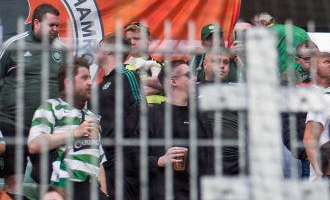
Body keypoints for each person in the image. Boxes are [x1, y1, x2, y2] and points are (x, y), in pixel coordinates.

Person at [0, 4, 65, 195]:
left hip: (46, 128)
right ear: (36, 23)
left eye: (57, 26)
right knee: (13, 183)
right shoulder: (13, 45)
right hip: (13, 123)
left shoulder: (62, 51)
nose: (55, 29)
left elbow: (67, 88)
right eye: (51, 25)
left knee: (49, 183)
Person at [28, 57, 106, 199]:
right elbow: (34, 144)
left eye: (90, 77)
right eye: (84, 78)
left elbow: (99, 161)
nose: (90, 82)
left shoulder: (93, 117)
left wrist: (104, 194)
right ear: (68, 83)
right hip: (62, 186)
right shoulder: (51, 107)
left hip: (92, 189)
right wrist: (75, 133)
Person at [147, 61, 212, 200]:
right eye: (188, 75)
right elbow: (133, 158)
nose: (194, 78)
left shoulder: (201, 116)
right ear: (173, 81)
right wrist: (159, 160)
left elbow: (210, 157)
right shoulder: (152, 116)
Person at [93, 34, 143, 200]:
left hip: (124, 158)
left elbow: (140, 110)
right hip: (104, 160)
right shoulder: (101, 86)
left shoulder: (126, 75)